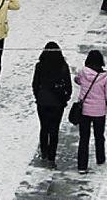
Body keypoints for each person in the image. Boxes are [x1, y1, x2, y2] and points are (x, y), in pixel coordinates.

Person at [74, 50, 107, 174]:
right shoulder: (105, 77)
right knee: (99, 136)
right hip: (99, 112)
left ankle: (82, 166)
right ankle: (100, 158)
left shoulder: (83, 72)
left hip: (84, 111)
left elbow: (77, 80)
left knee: (84, 138)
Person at [32, 41, 72, 169]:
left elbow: (35, 84)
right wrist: (66, 98)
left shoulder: (40, 66)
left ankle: (44, 151)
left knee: (44, 127)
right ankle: (51, 157)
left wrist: (38, 96)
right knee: (54, 130)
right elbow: (68, 85)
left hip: (43, 101)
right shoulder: (63, 66)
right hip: (57, 102)